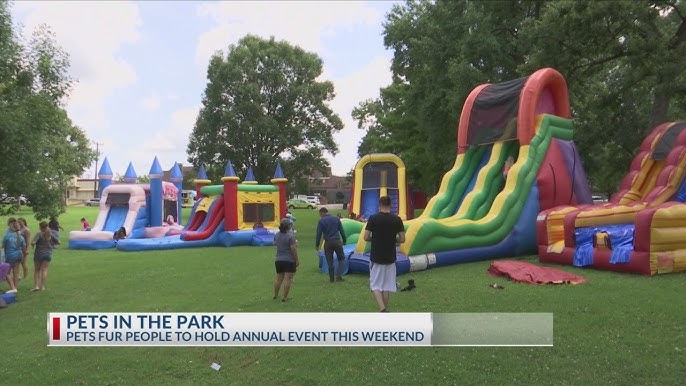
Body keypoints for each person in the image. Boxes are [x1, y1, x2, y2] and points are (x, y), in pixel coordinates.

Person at [363, 195, 405, 312]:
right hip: (390, 257)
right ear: (390, 205)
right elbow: (402, 239)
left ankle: (382, 309)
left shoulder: (373, 218)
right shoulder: (397, 219)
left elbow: (366, 237)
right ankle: (384, 310)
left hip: (376, 256)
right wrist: (391, 238)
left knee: (375, 285)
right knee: (386, 286)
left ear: (379, 205)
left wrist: (375, 238)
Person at [315, 207, 347, 282]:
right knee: (341, 258)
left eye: (320, 214)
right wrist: (344, 240)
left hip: (328, 242)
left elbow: (319, 234)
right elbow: (342, 231)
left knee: (330, 261)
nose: (320, 216)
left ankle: (331, 279)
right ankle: (339, 276)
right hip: (336, 241)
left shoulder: (321, 221)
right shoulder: (336, 219)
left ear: (322, 213)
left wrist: (317, 244)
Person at [273, 218, 299, 302]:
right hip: (288, 260)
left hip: (278, 260)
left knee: (278, 279)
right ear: (288, 226)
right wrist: (296, 260)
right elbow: (293, 249)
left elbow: (274, 243)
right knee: (288, 279)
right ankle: (285, 297)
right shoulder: (290, 236)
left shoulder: (277, 234)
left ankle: (276, 295)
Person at [31, 221, 59, 291]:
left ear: (40, 227)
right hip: (48, 254)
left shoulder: (39, 234)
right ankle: (43, 287)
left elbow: (33, 242)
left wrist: (33, 244)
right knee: (44, 270)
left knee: (37, 270)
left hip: (39, 254)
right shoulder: (50, 234)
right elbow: (58, 242)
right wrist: (50, 241)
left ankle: (36, 286)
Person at [2, 219, 26, 294]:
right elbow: (23, 248)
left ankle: (13, 288)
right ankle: (15, 287)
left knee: (6, 272)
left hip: (10, 255)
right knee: (16, 272)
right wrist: (24, 256)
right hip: (19, 255)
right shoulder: (20, 236)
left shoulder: (7, 236)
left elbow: (2, 247)